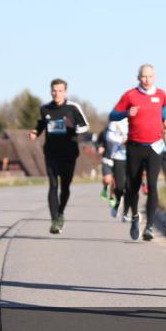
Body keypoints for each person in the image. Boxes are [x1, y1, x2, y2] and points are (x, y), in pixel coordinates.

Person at [108, 64, 166, 241]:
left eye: (149, 77)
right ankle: (135, 216)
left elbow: (164, 107)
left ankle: (149, 226)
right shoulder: (130, 95)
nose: (146, 80)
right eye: (143, 77)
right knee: (133, 186)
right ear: (138, 78)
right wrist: (126, 112)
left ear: (154, 77)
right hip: (135, 146)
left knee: (152, 185)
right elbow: (112, 115)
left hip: (154, 147)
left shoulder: (160, 94)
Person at [29, 78, 90, 233]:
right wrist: (36, 131)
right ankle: (54, 220)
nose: (57, 93)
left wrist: (73, 127)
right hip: (51, 152)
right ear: (51, 91)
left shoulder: (72, 108)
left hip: (69, 153)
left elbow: (85, 126)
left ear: (65, 92)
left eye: (60, 90)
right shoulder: (45, 109)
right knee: (53, 185)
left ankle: (61, 212)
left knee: (65, 186)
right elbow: (42, 123)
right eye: (54, 90)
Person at [103, 118, 129, 219]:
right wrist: (122, 141)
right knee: (120, 187)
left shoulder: (138, 119)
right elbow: (109, 136)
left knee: (130, 187)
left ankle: (126, 212)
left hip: (134, 156)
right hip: (119, 156)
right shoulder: (116, 121)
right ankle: (118, 202)